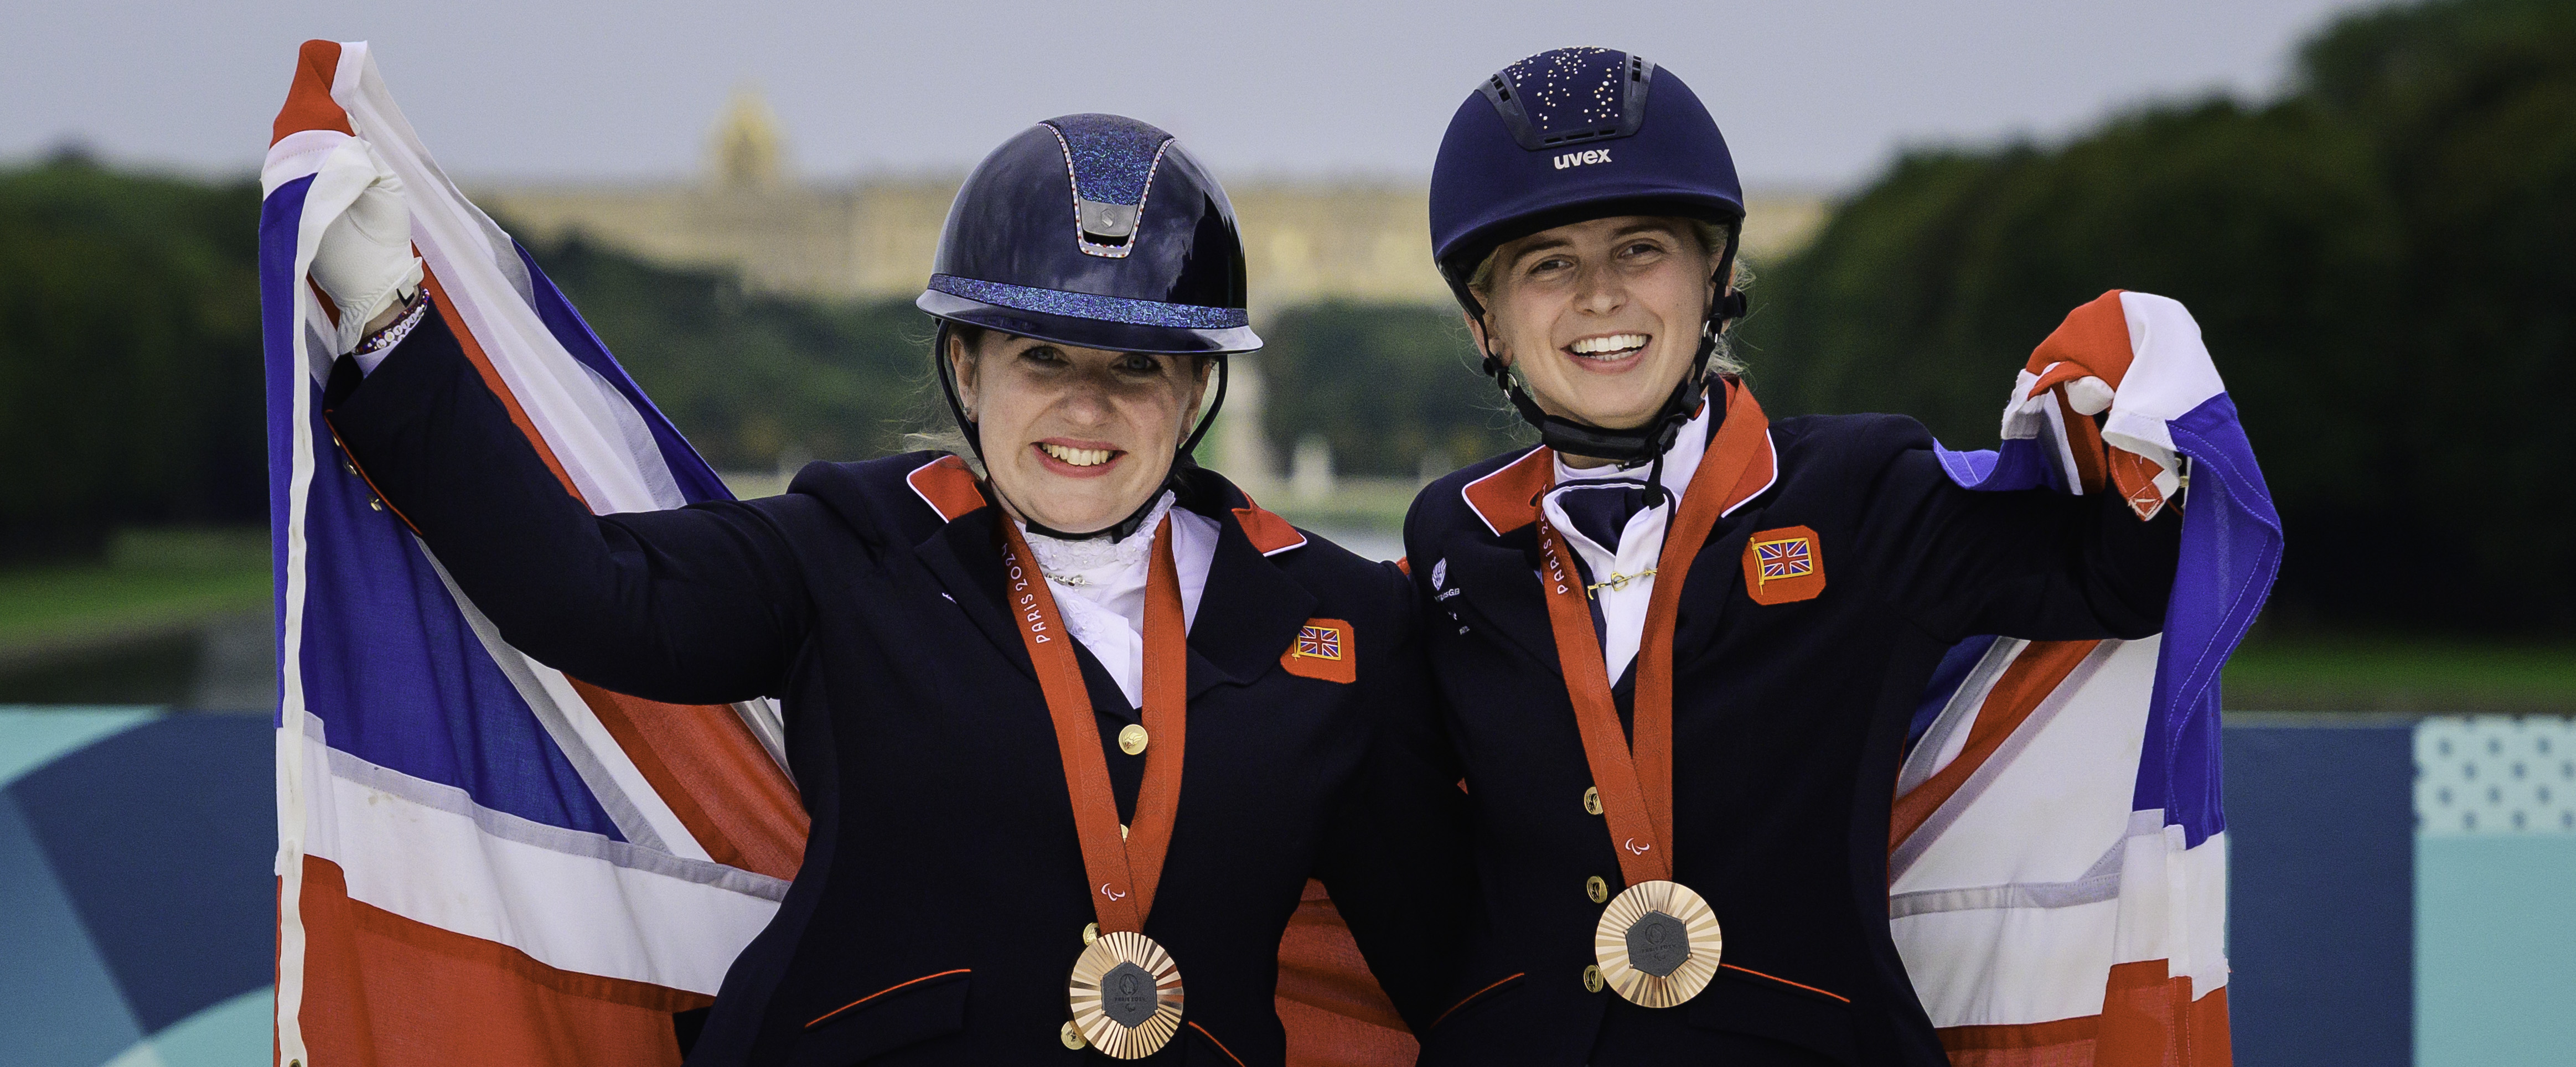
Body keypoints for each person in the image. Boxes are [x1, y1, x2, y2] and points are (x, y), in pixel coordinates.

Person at [311, 112, 1467, 1065]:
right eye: (1041, 358)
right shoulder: (844, 551)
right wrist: (389, 323)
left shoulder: (1337, 620)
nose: (1086, 408)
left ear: (1195, 392)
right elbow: (584, 593)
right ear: (965, 368)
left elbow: (1447, 956)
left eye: (1137, 368)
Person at [1400, 48, 2185, 1065]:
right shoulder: (1451, 541)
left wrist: (2137, 392)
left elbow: (2123, 580)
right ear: (1486, 324)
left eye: (1640, 250)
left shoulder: (1862, 490)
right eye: (1548, 263)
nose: (1599, 295)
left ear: (1715, 277)